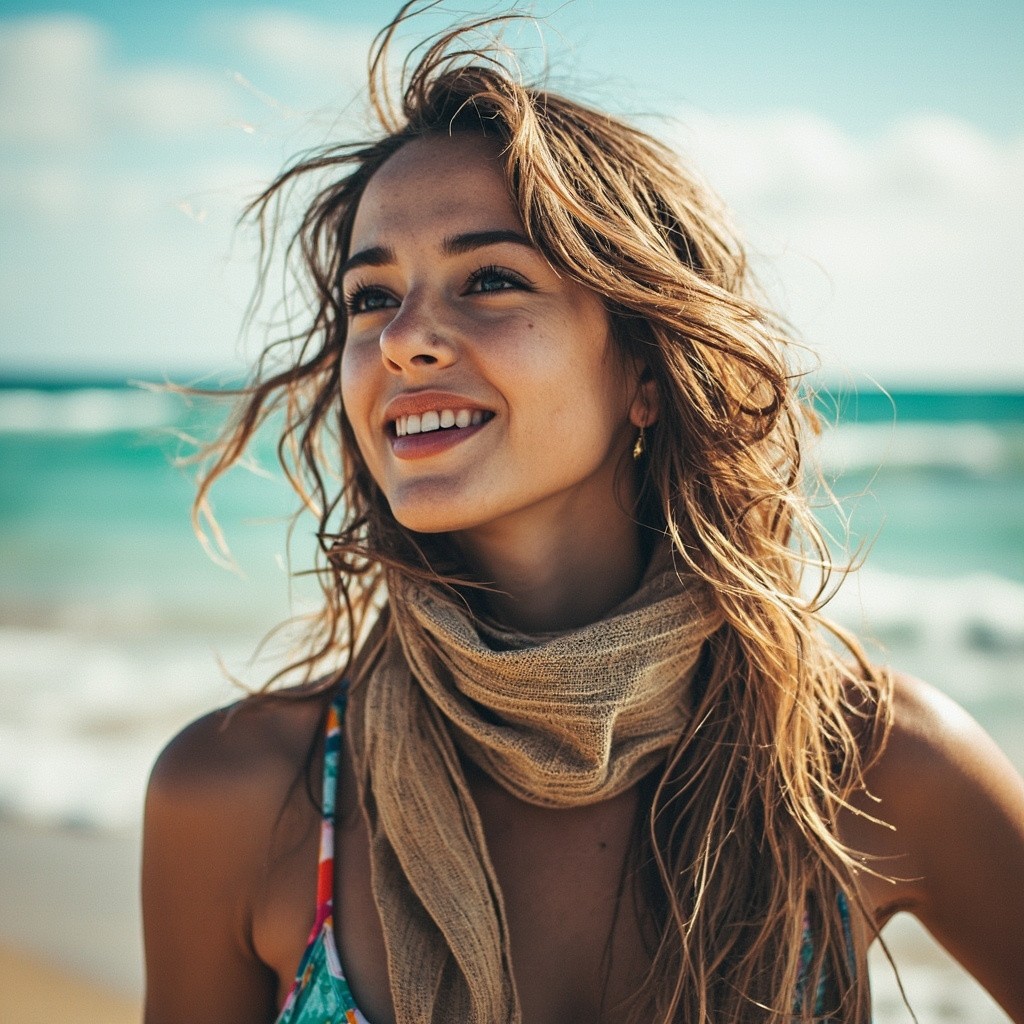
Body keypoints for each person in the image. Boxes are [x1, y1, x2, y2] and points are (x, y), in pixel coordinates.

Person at [140, 6, 1024, 1023]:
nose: (404, 340)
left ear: (645, 370)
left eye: (490, 279)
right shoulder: (238, 796)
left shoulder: (866, 764)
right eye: (372, 297)